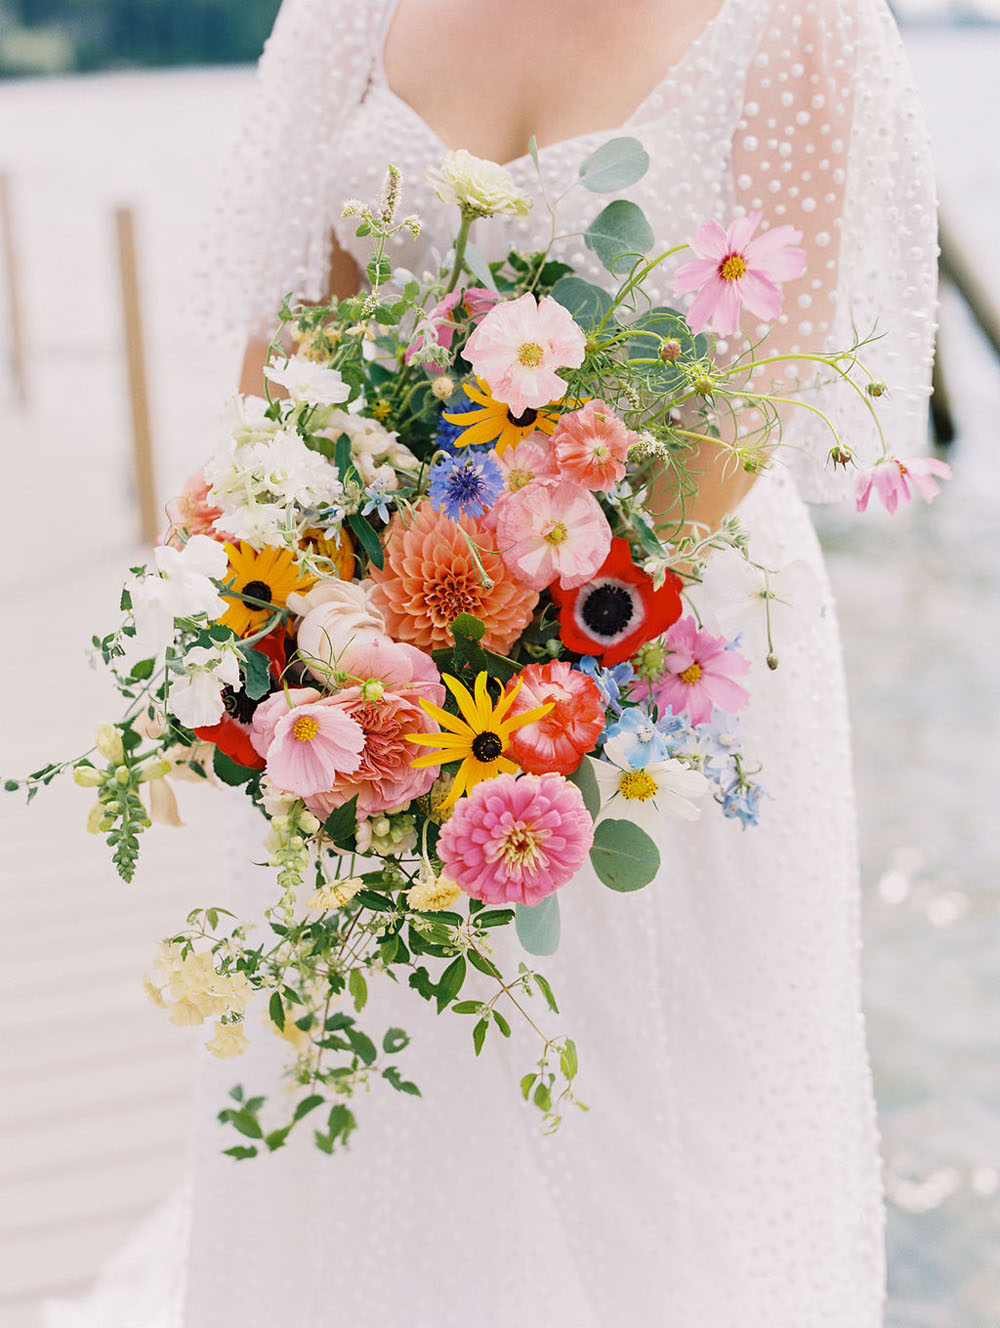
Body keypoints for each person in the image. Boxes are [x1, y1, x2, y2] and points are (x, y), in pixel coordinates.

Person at [48, 1, 937, 1324]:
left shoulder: (795, 20)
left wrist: (506, 654)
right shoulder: (354, 12)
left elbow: (746, 400)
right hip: (368, 650)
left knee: (653, 1113)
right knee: (386, 1090)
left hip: (660, 649)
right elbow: (290, 347)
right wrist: (303, 617)